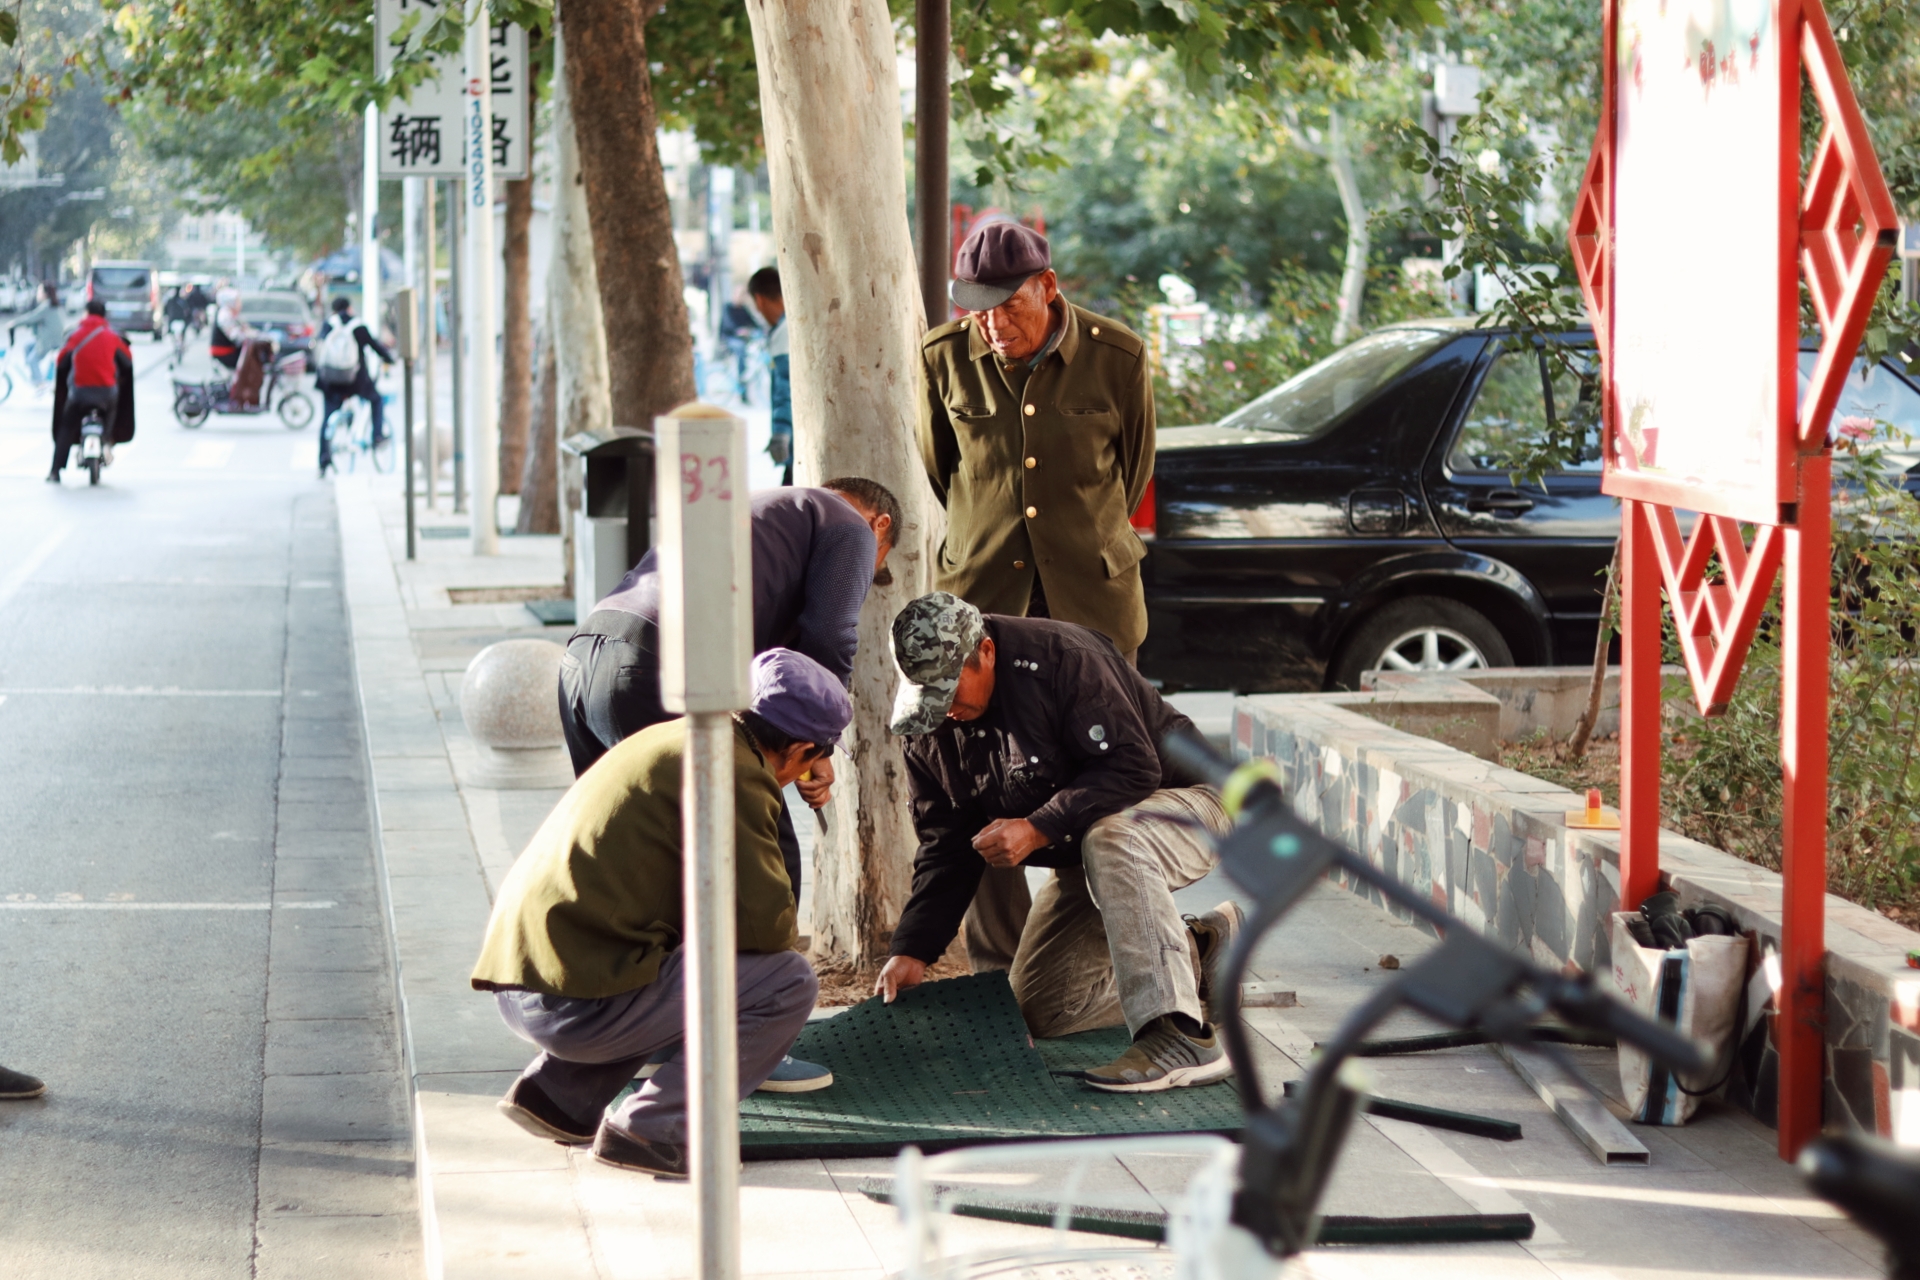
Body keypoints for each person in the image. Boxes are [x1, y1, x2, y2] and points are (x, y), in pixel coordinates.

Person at [473, 649, 850, 1175]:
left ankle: (559, 1095)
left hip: (523, 981)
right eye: (811, 760)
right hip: (570, 1005)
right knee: (786, 981)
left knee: (677, 951)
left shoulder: (677, 735)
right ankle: (652, 1130)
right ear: (802, 748)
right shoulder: (735, 771)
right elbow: (769, 929)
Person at [875, 591, 1243, 1093]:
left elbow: (1133, 767)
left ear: (985, 651)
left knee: (1113, 833)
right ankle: (1201, 948)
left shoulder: (1064, 659)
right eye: (928, 696)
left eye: (949, 690)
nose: (944, 711)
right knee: (1043, 1007)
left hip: (1188, 802)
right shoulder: (927, 723)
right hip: (1091, 852)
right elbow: (946, 842)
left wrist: (1036, 827)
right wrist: (912, 949)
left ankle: (1180, 1037)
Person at [560, 479, 901, 900]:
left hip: (585, 657)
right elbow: (831, 637)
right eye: (873, 568)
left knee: (623, 843)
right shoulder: (851, 527)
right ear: (879, 525)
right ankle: (763, 967)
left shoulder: (766, 511)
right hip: (657, 669)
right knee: (764, 853)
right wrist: (820, 744)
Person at [918, 221, 1156, 664]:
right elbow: (940, 469)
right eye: (979, 310)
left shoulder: (1118, 356)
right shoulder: (942, 356)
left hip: (1095, 597)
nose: (994, 324)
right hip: (984, 594)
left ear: (1047, 286)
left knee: (1099, 730)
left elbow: (1134, 469)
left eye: (1009, 306)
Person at [47, 300, 134, 484]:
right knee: (112, 410)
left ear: (86, 313)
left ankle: (55, 471)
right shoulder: (112, 337)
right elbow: (127, 361)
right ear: (103, 316)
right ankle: (106, 440)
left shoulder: (76, 336)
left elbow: (61, 362)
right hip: (107, 394)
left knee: (66, 427)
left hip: (79, 394)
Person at [314, 296, 395, 478]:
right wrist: (390, 358)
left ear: (334, 310)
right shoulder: (357, 326)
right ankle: (377, 436)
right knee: (376, 400)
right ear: (349, 308)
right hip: (355, 382)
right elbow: (376, 347)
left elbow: (320, 347)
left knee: (327, 419)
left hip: (331, 382)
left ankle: (324, 460)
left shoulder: (328, 324)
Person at [748, 267, 792, 485]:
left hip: (798, 440)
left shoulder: (785, 332)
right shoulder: (791, 323)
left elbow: (786, 387)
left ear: (759, 300)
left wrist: (781, 432)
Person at [10, 283, 64, 392]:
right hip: (48, 339)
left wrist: (14, 323)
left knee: (32, 360)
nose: (37, 294)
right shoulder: (49, 305)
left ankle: (40, 383)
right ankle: (35, 376)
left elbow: (32, 317)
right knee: (27, 347)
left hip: (48, 341)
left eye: (39, 291)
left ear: (45, 294)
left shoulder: (46, 307)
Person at [209, 287, 247, 370]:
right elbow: (234, 335)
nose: (240, 304)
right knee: (248, 361)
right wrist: (247, 336)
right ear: (231, 302)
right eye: (237, 301)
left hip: (227, 349)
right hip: (223, 351)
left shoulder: (231, 314)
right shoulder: (225, 315)